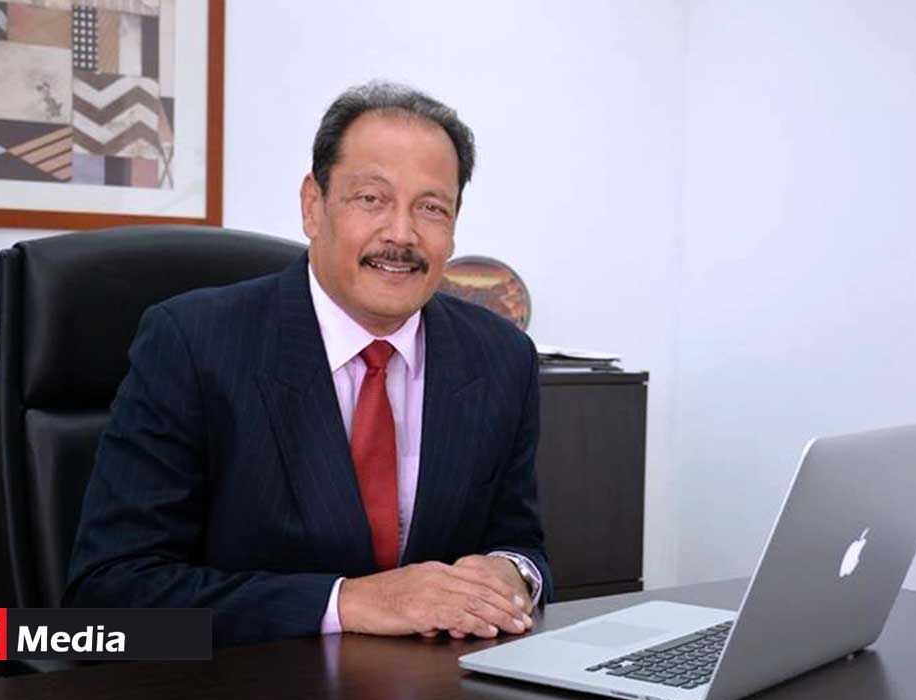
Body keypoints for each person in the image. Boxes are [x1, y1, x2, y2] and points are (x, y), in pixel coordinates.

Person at [64, 82, 552, 646]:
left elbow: (520, 541)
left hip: (436, 684)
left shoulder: (502, 358)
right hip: (246, 682)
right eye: (370, 199)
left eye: (431, 208)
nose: (401, 234)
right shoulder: (193, 344)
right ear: (313, 206)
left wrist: (512, 573)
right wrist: (348, 602)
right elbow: (110, 593)